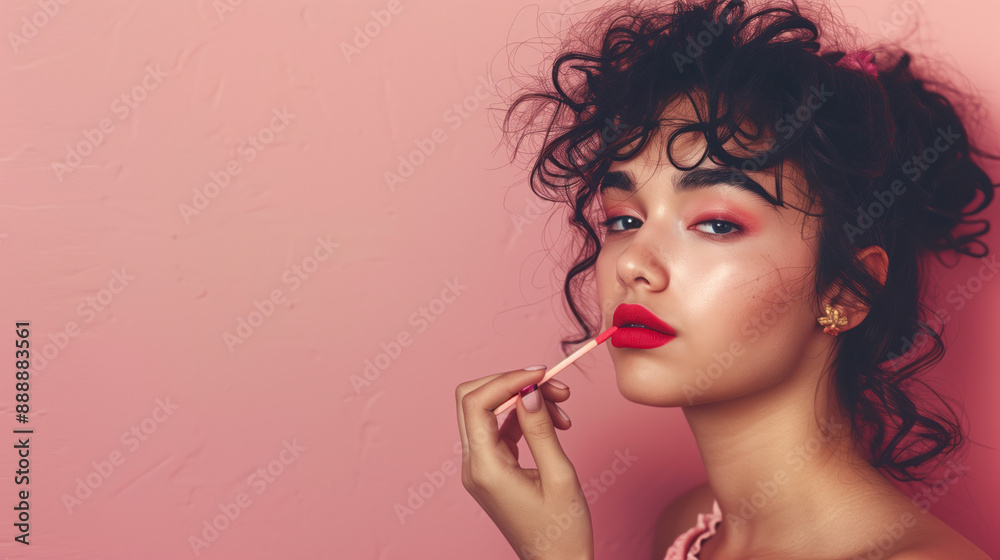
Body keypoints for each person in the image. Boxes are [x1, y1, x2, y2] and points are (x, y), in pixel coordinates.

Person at [454, 0, 997, 558]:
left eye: (715, 223)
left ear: (847, 290)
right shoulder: (691, 530)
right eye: (623, 219)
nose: (632, 263)